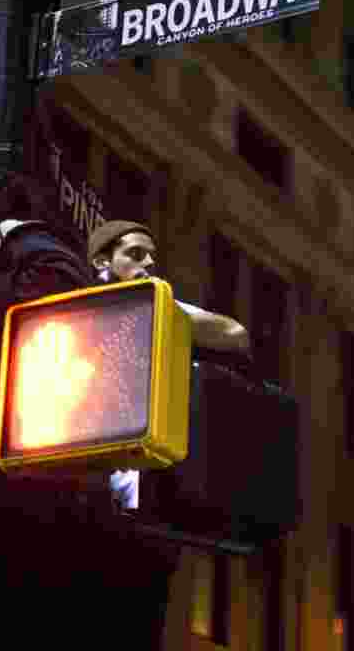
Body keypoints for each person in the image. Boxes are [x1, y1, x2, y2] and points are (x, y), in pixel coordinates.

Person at [0, 170, 112, 648]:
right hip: (7, 462)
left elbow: (60, 283)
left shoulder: (25, 242)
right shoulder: (10, 255)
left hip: (16, 470)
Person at [86, 219, 252, 648]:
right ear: (103, 261)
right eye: (135, 254)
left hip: (145, 509)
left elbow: (236, 334)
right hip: (84, 500)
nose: (148, 263)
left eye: (151, 255)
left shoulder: (161, 300)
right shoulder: (75, 308)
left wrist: (164, 312)